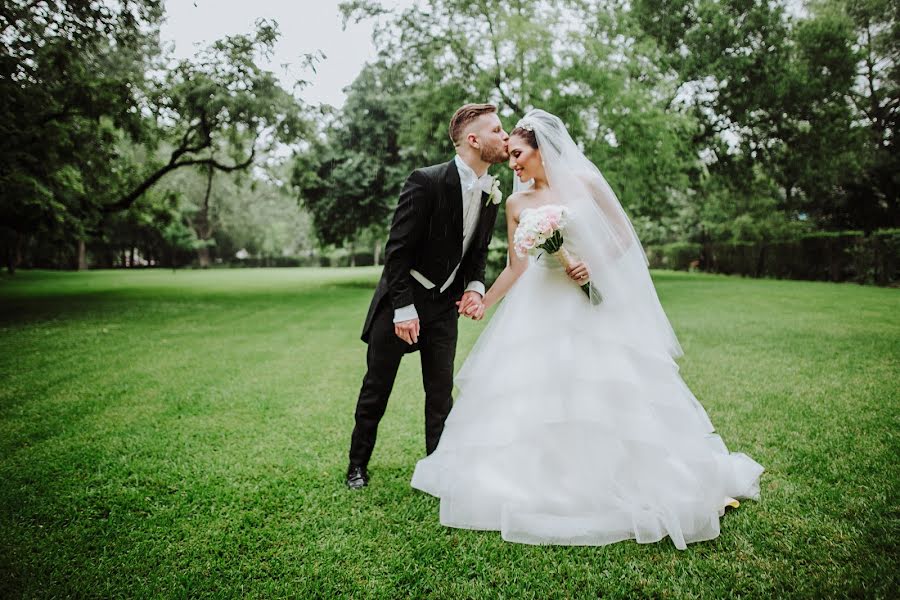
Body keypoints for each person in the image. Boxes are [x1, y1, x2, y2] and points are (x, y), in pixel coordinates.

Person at [410, 109, 764, 549]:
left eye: (519, 154)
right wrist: (483, 298)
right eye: (511, 156)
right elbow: (517, 265)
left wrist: (590, 266)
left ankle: (616, 476)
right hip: (537, 307)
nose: (513, 162)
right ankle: (539, 481)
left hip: (591, 304)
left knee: (604, 385)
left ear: (542, 149)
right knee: (533, 391)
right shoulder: (517, 203)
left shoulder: (586, 185)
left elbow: (623, 238)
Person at [345, 103, 510, 489]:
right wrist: (403, 309)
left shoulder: (491, 193)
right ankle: (357, 465)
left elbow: (478, 250)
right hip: (401, 303)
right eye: (498, 130)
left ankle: (439, 470)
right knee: (376, 389)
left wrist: (474, 288)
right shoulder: (427, 180)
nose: (506, 137)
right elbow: (397, 251)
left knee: (440, 394)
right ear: (473, 140)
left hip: (444, 307)